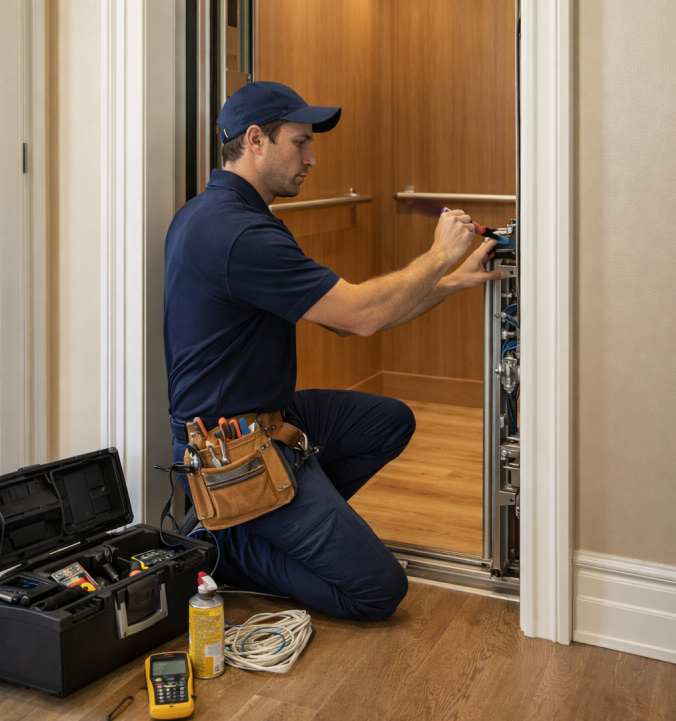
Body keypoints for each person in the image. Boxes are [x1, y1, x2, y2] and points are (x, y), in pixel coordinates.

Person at [164, 81, 506, 621]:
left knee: (387, 421)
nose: (312, 159)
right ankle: (228, 544)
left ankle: (278, 519)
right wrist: (439, 254)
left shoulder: (216, 215)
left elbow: (346, 323)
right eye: (300, 143)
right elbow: (363, 317)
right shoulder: (238, 234)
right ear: (256, 139)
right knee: (376, 592)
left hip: (270, 419)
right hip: (231, 450)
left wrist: (451, 279)